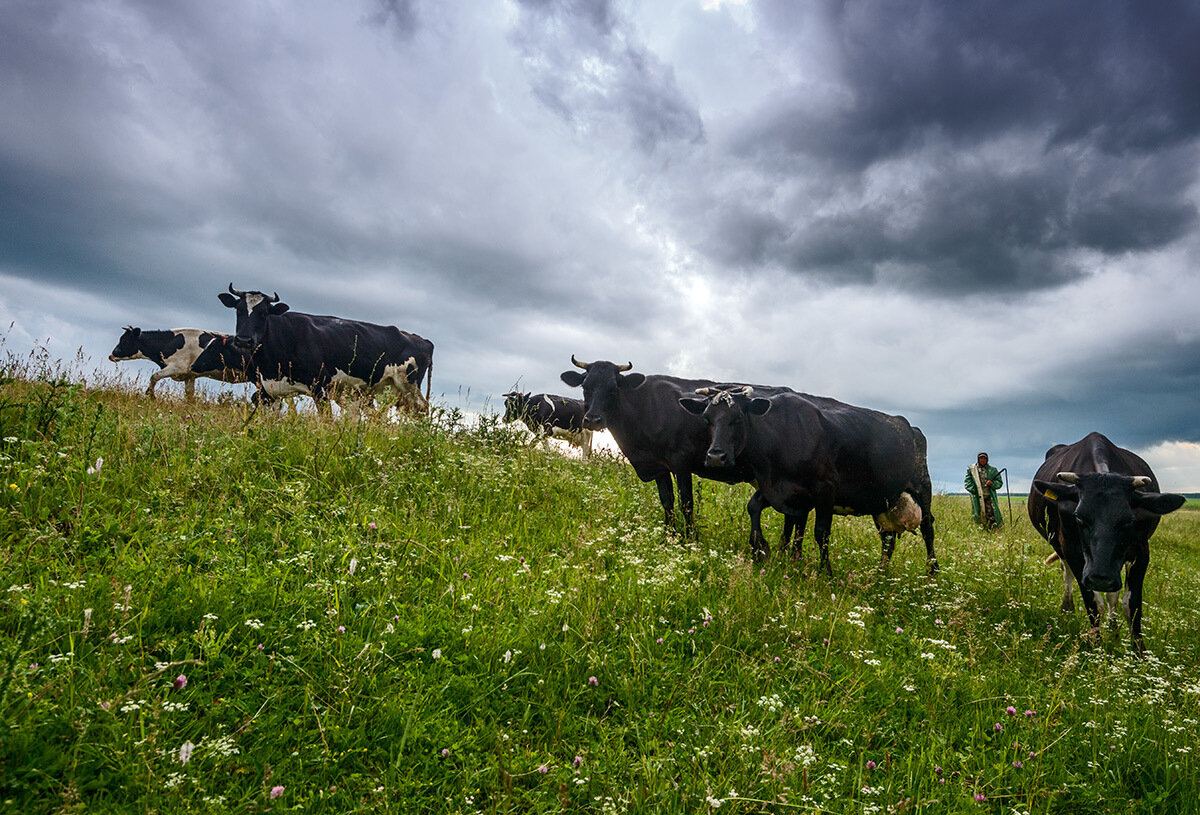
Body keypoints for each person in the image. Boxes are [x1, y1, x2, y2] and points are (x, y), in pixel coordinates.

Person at [965, 452, 1003, 528]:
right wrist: (975, 491)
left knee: (992, 513)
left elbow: (999, 482)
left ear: (987, 459)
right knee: (978, 514)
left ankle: (993, 529)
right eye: (981, 458)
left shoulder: (993, 470)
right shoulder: (972, 469)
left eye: (984, 458)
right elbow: (968, 483)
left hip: (989, 496)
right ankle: (980, 529)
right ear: (978, 459)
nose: (982, 460)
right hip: (977, 497)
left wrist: (992, 484)